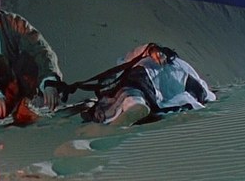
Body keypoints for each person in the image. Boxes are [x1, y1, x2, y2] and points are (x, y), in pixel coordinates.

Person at [83, 43, 216, 126]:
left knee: (128, 90)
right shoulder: (182, 65)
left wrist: (151, 50)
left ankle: (133, 104)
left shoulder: (145, 57)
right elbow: (202, 89)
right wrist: (209, 95)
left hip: (142, 73)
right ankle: (135, 106)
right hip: (158, 84)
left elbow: (138, 52)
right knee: (134, 90)